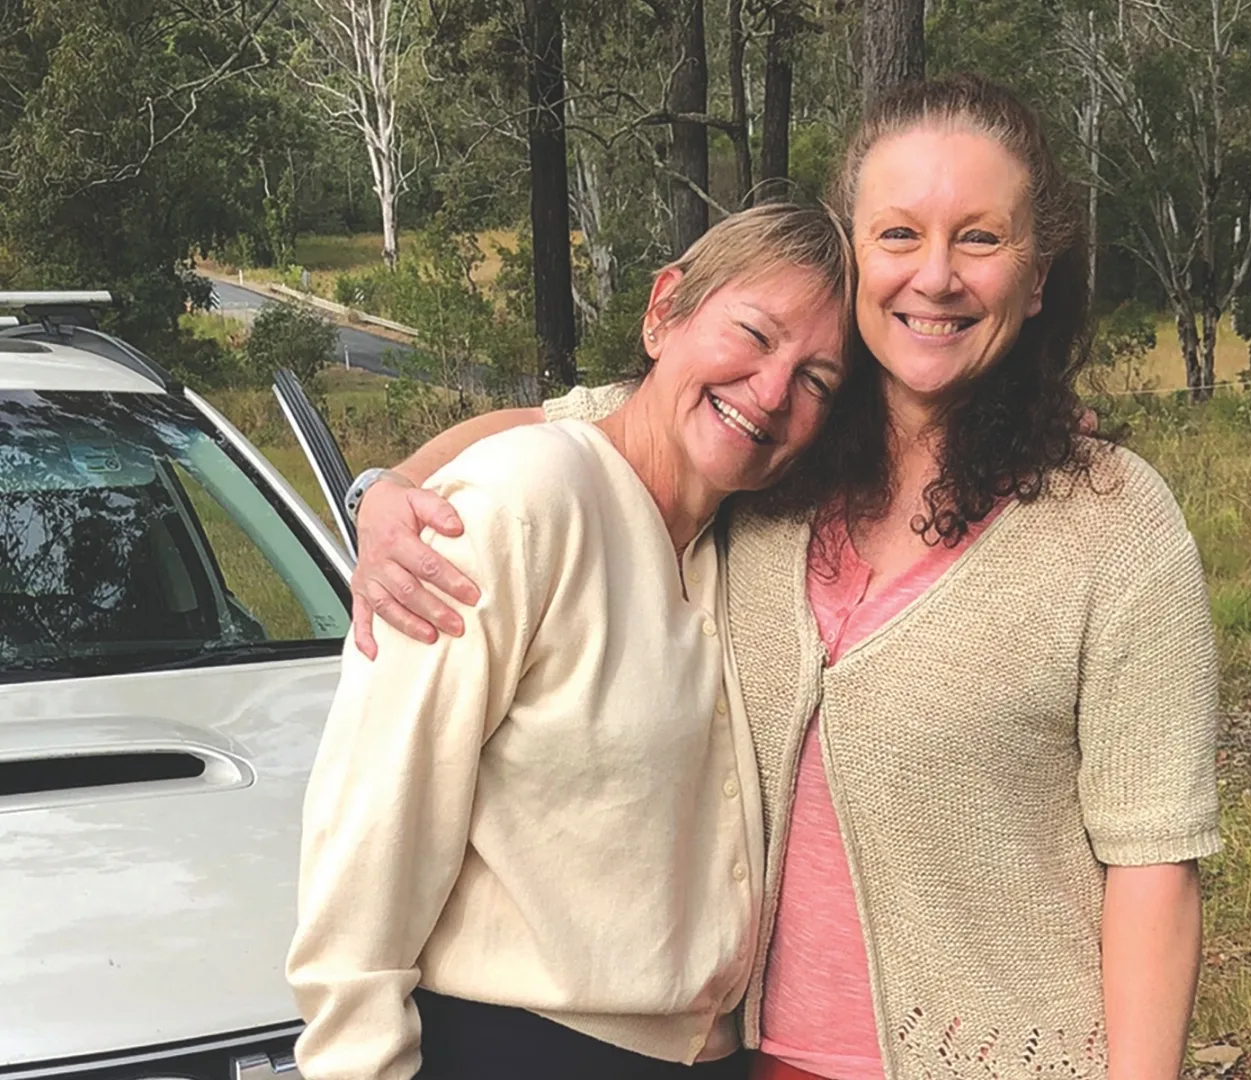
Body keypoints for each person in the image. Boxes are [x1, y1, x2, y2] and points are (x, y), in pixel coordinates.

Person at [344, 74, 1221, 1080]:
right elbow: (584, 426)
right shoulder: (771, 463)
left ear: (1036, 278)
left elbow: (1155, 863)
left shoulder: (1110, 522)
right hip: (740, 1058)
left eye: (979, 238)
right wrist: (392, 489)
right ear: (853, 262)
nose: (935, 277)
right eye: (898, 236)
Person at [285, 202, 858, 1080]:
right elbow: (373, 826)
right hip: (520, 1049)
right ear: (664, 311)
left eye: (816, 378)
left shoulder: (739, 545)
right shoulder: (524, 502)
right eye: (753, 333)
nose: (774, 391)